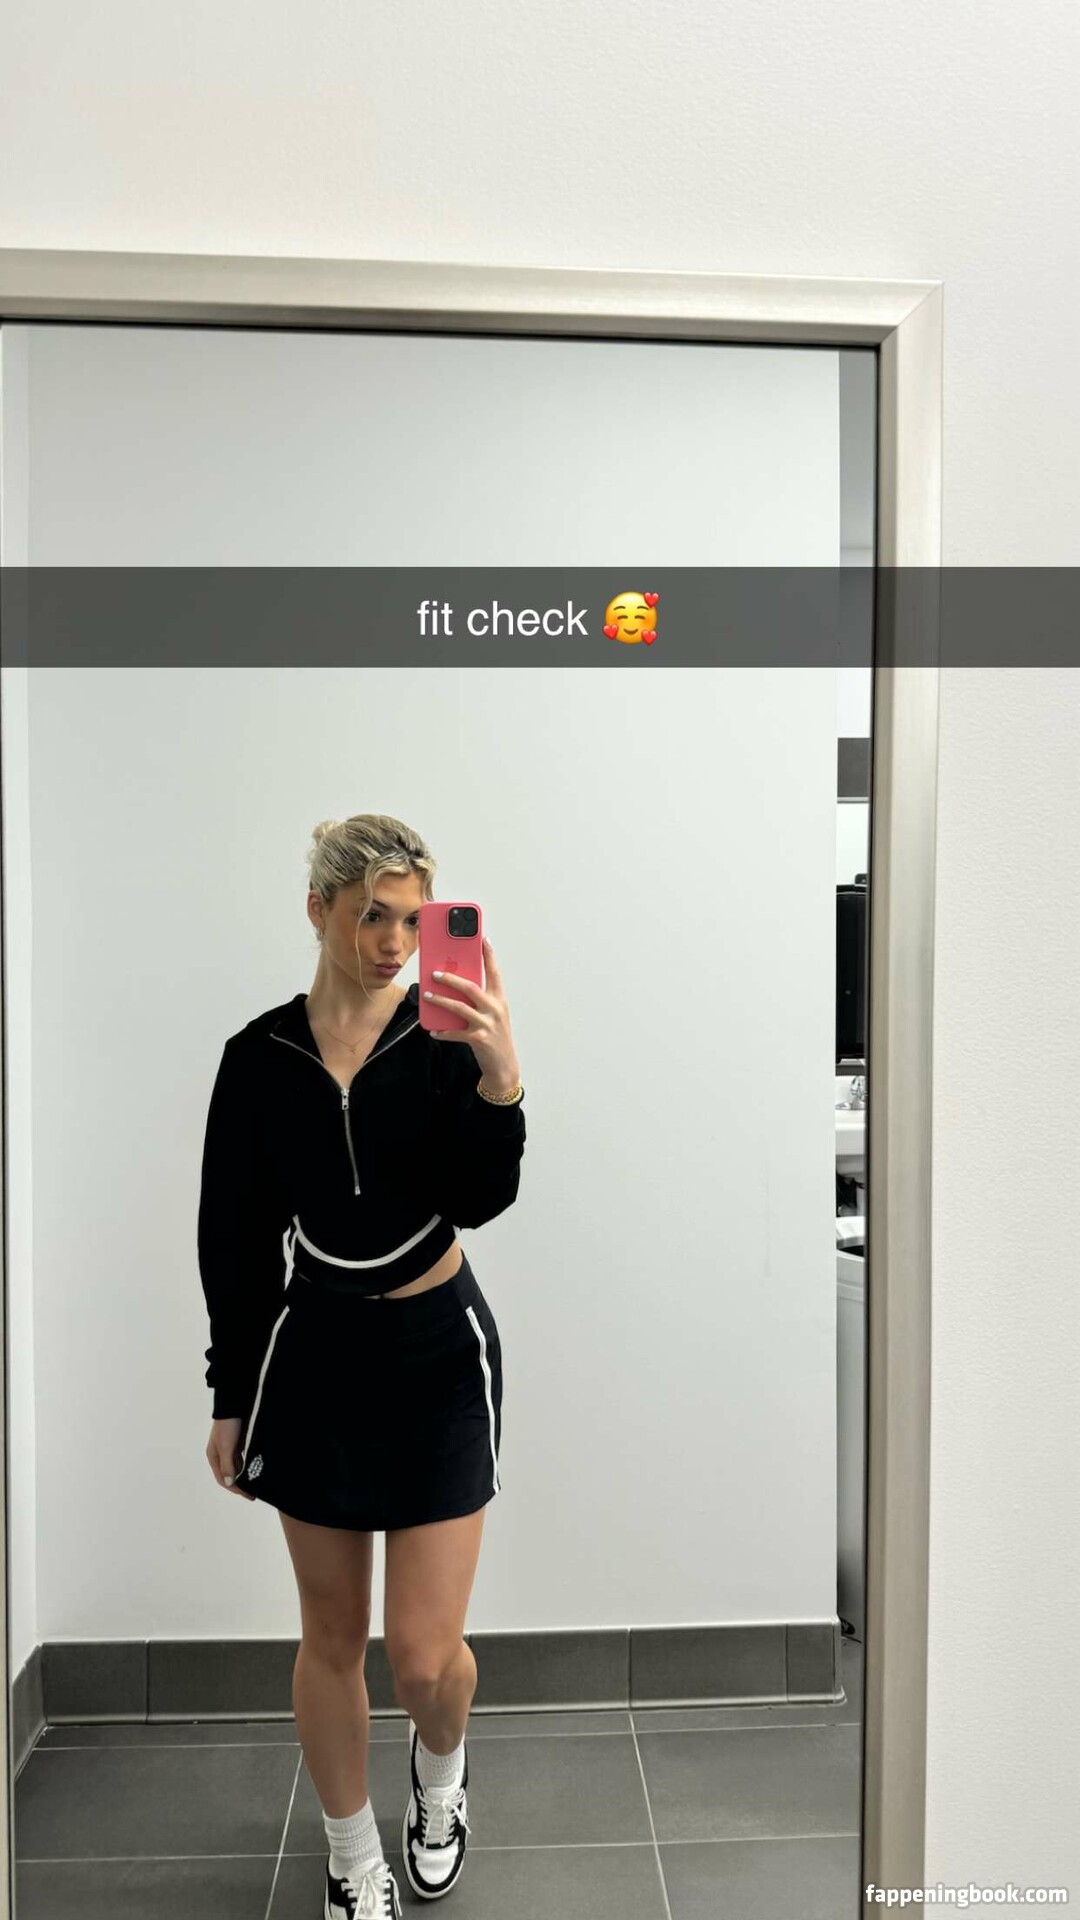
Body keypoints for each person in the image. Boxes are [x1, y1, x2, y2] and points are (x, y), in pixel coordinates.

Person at [197, 813, 526, 1918]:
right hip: (318, 1359)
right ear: (319, 911)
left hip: (438, 1354)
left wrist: (499, 1080)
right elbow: (234, 1242)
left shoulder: (440, 1040)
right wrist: (231, 1396)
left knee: (425, 1659)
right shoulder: (259, 1060)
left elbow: (480, 1198)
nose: (393, 943)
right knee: (332, 1638)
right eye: (370, 916)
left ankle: (442, 1774)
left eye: (412, 920)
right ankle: (352, 1858)